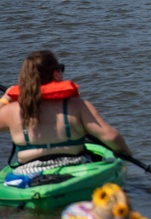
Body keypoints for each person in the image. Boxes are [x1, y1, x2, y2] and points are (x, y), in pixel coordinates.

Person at [0, 51, 131, 175]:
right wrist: (124, 152)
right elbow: (111, 137)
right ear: (56, 74)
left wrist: (5, 99)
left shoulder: (12, 111)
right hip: (74, 168)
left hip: (28, 172)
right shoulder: (77, 106)